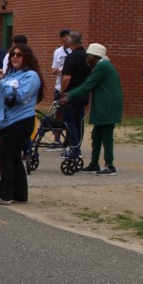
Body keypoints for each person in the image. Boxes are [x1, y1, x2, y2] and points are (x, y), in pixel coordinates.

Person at [0, 44, 44, 205]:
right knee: (14, 157)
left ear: (26, 57)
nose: (15, 57)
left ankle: (4, 195)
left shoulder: (31, 76)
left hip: (20, 121)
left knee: (5, 156)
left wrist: (2, 84)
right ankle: (20, 195)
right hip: (7, 121)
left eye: (19, 55)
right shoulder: (10, 74)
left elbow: (21, 96)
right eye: (12, 55)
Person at [58, 43, 123, 176]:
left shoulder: (102, 67)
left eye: (89, 57)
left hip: (108, 105)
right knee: (96, 135)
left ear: (96, 57)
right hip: (104, 104)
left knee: (106, 135)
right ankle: (94, 164)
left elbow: (87, 86)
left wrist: (69, 96)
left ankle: (109, 165)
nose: (87, 60)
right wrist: (70, 94)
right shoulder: (102, 66)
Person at [59, 31, 89, 159]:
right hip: (84, 92)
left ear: (70, 41)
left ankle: (74, 149)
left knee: (69, 121)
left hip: (71, 94)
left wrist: (62, 92)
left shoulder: (72, 57)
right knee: (79, 121)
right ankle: (77, 146)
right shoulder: (87, 56)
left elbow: (66, 77)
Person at [51, 29, 71, 101]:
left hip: (72, 88)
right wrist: (58, 71)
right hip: (59, 88)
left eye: (68, 36)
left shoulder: (75, 51)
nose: (66, 38)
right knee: (57, 107)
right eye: (63, 36)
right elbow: (53, 70)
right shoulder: (57, 51)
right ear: (60, 39)